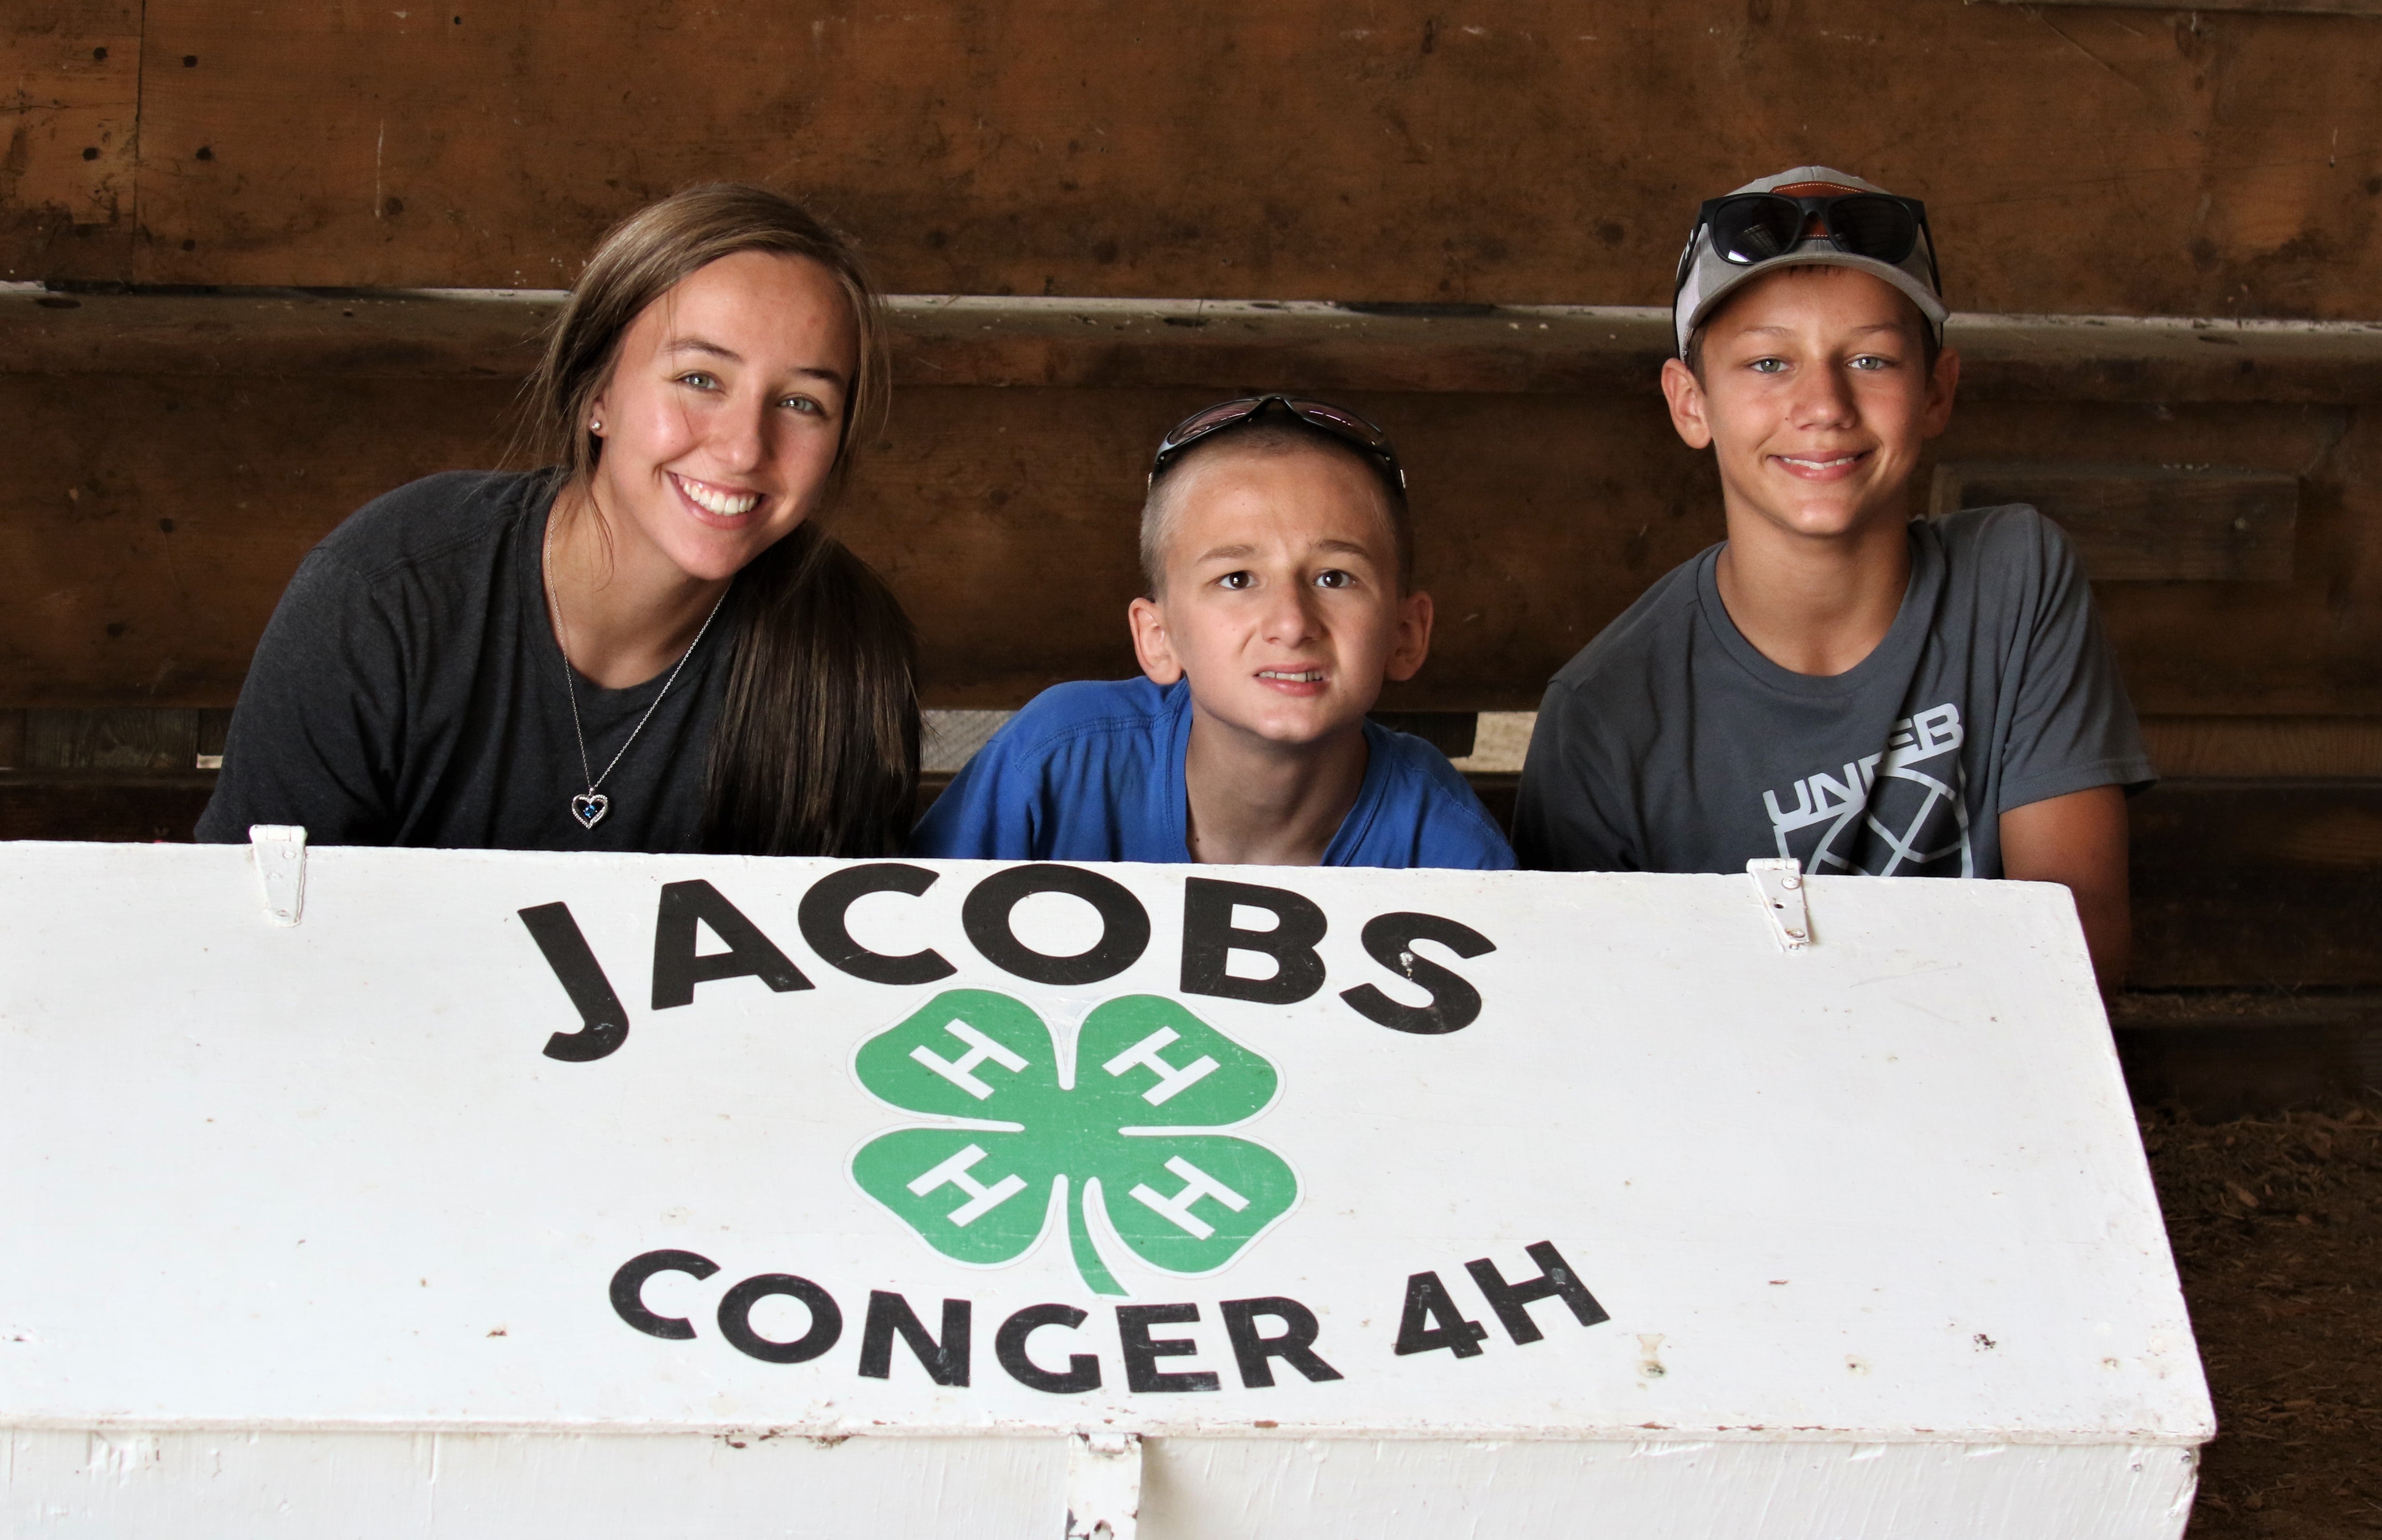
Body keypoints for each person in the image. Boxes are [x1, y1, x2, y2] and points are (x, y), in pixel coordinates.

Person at [1511, 166, 2149, 986]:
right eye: (1768, 363)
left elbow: (2079, 939)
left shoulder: (2014, 580)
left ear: (1936, 392)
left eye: (1873, 360)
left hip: (1990, 1095)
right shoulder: (1604, 711)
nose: (1824, 404)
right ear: (1689, 403)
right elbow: (1594, 1009)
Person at [196, 184, 918, 855]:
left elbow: (821, 982)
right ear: (596, 393)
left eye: (801, 403)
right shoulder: (389, 593)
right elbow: (239, 937)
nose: (744, 447)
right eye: (700, 379)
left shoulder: (847, 650)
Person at [911, 395, 1514, 869]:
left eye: (1334, 577)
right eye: (1236, 579)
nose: (1291, 624)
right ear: (1158, 637)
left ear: (1406, 634)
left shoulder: (1450, 850)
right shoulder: (1056, 762)